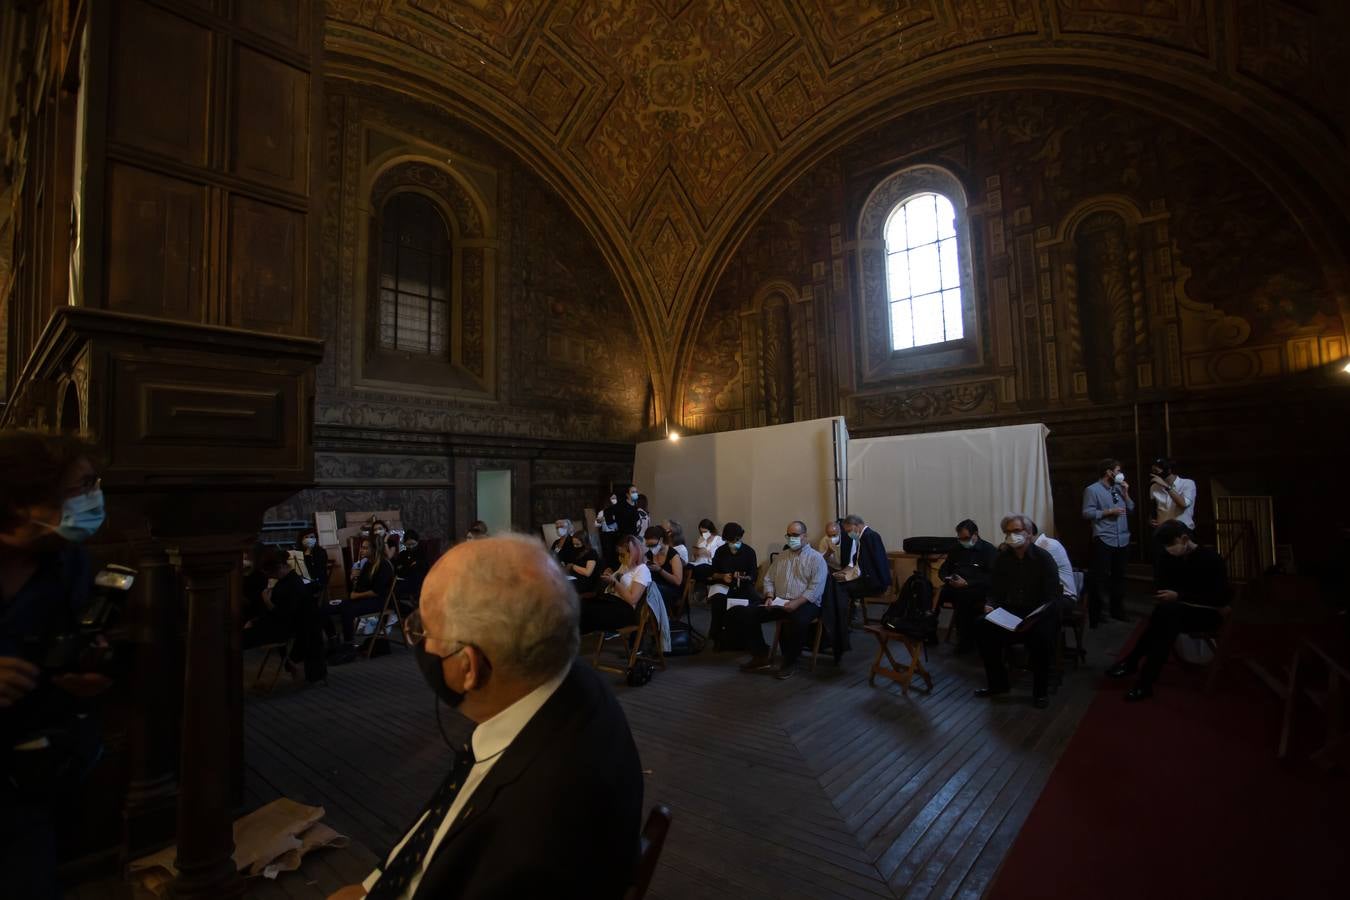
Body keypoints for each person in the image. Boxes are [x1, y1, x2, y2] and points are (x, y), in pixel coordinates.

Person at [330, 534, 643, 899]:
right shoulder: (568, 681)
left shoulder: (531, 824)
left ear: (468, 667)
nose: (419, 640)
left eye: (424, 630)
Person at [1, 431, 112, 899]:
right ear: (28, 501)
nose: (94, 499)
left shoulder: (70, 562)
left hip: (43, 766)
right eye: (81, 487)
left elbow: (77, 642)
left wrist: (92, 669)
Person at [1107, 521, 1229, 701]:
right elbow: (1164, 585)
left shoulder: (1210, 558)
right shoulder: (1171, 559)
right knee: (1166, 617)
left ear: (1184, 539)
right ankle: (1142, 679)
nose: (1168, 550)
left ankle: (1135, 667)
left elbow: (1219, 598)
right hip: (1178, 611)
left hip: (1207, 612)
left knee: (1165, 617)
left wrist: (1179, 596)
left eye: (1170, 546)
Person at [974, 515, 1063, 709]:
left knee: (1041, 637)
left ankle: (1040, 692)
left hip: (1038, 614)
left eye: (1016, 531)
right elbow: (994, 589)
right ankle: (998, 684)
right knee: (982, 626)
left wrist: (1037, 615)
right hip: (1011, 611)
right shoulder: (1002, 558)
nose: (1011, 536)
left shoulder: (1043, 558)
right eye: (1007, 532)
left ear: (1029, 534)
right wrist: (990, 604)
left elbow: (1053, 596)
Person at [733, 521, 828, 680]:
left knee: (798, 620)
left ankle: (790, 661)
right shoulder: (782, 557)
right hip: (780, 601)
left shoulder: (816, 559)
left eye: (795, 535)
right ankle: (760, 655)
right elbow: (769, 579)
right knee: (747, 613)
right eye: (789, 535)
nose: (791, 538)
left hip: (806, 603)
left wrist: (796, 603)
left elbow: (815, 588)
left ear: (804, 536)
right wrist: (769, 597)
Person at [1082, 458, 1134, 624]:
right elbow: (1087, 513)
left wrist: (1126, 493)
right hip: (1104, 537)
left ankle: (1117, 610)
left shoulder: (1119, 488)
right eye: (1118, 471)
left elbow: (1131, 508)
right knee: (1100, 577)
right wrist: (1108, 512)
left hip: (1123, 538)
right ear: (1109, 472)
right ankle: (1097, 612)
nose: (1120, 474)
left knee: (1119, 576)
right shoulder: (1092, 490)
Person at [938, 519, 998, 654]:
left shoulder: (989, 550)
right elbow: (944, 569)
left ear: (975, 534)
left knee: (963, 598)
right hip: (955, 585)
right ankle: (927, 630)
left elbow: (991, 577)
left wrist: (967, 583)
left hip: (977, 588)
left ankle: (965, 641)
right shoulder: (956, 549)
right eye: (960, 539)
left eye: (966, 538)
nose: (963, 541)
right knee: (933, 593)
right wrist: (947, 578)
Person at [334, 539, 395, 652]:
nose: (362, 550)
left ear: (374, 549)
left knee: (347, 610)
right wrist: (354, 579)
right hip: (363, 599)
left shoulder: (384, 565)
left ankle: (348, 644)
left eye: (366, 548)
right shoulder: (367, 563)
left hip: (377, 601)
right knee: (330, 607)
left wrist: (356, 595)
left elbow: (376, 591)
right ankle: (332, 638)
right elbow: (360, 586)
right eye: (362, 547)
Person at [580, 535, 649, 634]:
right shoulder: (625, 565)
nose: (620, 557)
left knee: (587, 611)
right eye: (619, 554)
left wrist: (614, 582)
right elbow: (617, 579)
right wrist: (610, 575)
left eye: (623, 554)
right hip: (612, 600)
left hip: (625, 609)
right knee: (582, 605)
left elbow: (632, 599)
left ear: (634, 553)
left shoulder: (642, 570)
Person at [705, 522, 758, 648]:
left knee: (754, 601)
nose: (733, 543)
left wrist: (743, 577)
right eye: (730, 541)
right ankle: (717, 636)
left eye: (736, 540)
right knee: (718, 601)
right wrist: (722, 576)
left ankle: (750, 639)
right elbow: (712, 573)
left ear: (740, 537)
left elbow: (753, 575)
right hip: (723, 585)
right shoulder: (720, 551)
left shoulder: (749, 552)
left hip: (743, 585)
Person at [834, 514, 892, 606]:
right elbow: (859, 564)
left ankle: (843, 618)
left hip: (875, 583)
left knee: (838, 588)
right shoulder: (863, 538)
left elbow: (871, 565)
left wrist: (847, 577)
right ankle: (845, 616)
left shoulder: (870, 536)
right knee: (836, 584)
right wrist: (845, 574)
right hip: (868, 580)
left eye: (849, 531)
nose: (849, 534)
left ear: (856, 525)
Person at [1028, 519, 1077, 610]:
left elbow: (1033, 577)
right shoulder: (1030, 548)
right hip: (1046, 595)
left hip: (1063, 597)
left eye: (1017, 531)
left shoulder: (1049, 545)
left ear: (1029, 532)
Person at [643, 525, 684, 614]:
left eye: (653, 545)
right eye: (648, 545)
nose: (651, 548)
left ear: (661, 540)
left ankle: (652, 620)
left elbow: (677, 581)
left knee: (650, 589)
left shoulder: (673, 555)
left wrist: (659, 570)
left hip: (670, 589)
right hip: (655, 586)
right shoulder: (650, 554)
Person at [1149, 457, 1196, 530]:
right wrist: (1151, 520)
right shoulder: (1154, 487)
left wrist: (1166, 486)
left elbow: (1183, 504)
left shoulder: (1188, 483)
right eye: (1152, 471)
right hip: (1162, 530)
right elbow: (1154, 508)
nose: (1154, 474)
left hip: (1182, 530)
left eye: (1156, 471)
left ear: (1168, 470)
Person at [687, 519, 723, 583]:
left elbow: (721, 556)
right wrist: (696, 553)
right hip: (698, 562)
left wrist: (708, 553)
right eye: (701, 532)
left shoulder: (718, 540)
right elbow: (694, 557)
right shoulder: (701, 539)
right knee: (687, 566)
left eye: (705, 532)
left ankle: (699, 587)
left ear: (711, 530)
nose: (703, 534)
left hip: (710, 564)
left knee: (700, 569)